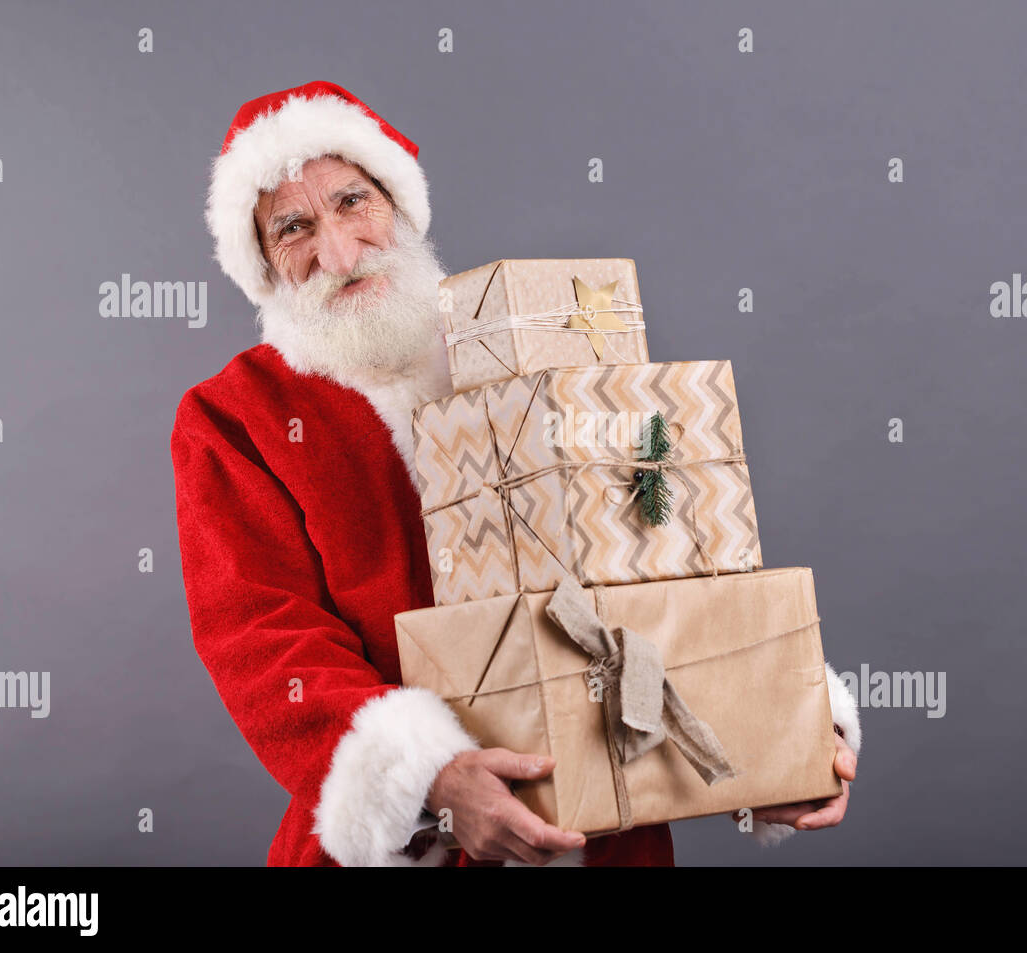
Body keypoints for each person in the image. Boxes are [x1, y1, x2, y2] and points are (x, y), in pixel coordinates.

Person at [171, 81, 861, 867]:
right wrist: (427, 773)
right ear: (262, 261)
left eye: (352, 201)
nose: (337, 251)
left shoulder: (524, 342)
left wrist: (774, 725)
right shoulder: (235, 417)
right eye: (294, 227)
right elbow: (263, 639)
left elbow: (650, 554)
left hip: (610, 822)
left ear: (396, 204)